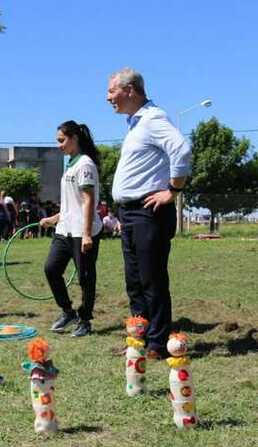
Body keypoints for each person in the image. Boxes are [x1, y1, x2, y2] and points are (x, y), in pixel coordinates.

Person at [107, 67, 191, 358]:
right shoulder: (135, 124)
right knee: (134, 281)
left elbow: (180, 149)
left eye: (111, 91)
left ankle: (157, 343)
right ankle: (138, 339)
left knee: (151, 278)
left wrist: (173, 190)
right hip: (129, 214)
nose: (108, 98)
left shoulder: (153, 118)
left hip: (147, 212)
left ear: (129, 90)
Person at [40, 121, 104, 337]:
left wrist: (86, 234)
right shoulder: (71, 164)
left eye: (62, 140)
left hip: (82, 232)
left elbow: (88, 200)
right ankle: (68, 312)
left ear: (74, 138)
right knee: (51, 269)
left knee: (85, 277)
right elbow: (72, 203)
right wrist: (54, 218)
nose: (59, 145)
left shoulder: (85, 164)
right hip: (64, 230)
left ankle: (85, 320)